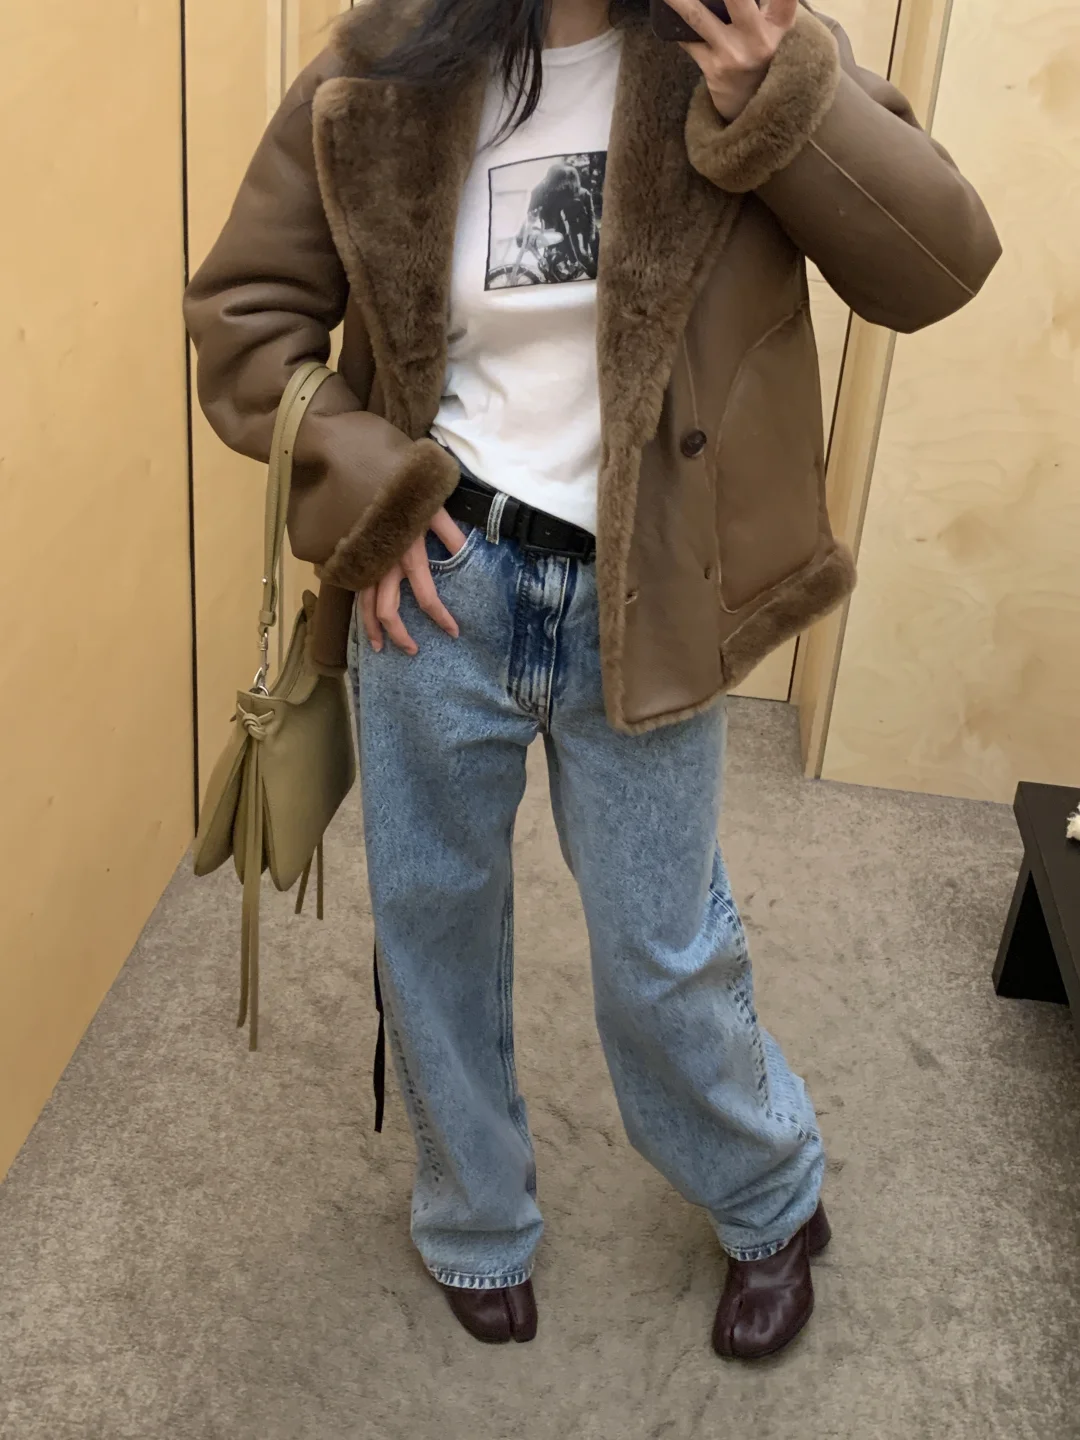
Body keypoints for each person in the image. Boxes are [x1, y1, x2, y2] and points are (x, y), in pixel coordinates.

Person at [185, 0, 999, 1360]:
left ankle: (771, 1197)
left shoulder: (738, 40)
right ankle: (473, 1215)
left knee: (659, 948)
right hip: (439, 587)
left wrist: (785, 97)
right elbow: (246, 320)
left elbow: (938, 265)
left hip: (649, 587)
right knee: (432, 930)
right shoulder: (381, 63)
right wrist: (369, 487)